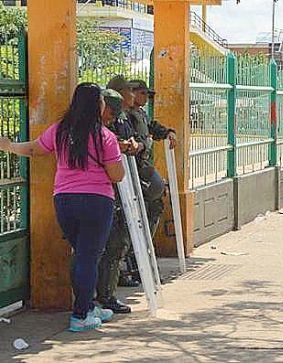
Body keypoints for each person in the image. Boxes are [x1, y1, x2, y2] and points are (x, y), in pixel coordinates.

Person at [0, 83, 124, 332]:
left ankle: (88, 306)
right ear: (98, 105)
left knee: (82, 255)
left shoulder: (60, 131)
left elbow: (35, 149)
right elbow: (117, 175)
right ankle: (81, 315)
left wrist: (8, 146)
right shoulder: (105, 137)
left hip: (64, 201)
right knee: (89, 258)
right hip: (97, 201)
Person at [95, 76, 140, 314]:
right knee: (108, 245)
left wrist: (130, 145)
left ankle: (103, 294)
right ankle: (101, 297)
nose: (113, 117)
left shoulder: (120, 120)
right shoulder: (93, 131)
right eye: (111, 113)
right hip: (100, 195)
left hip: (115, 192)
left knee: (114, 244)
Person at [128, 79, 176, 237]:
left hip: (143, 167)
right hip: (131, 168)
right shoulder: (125, 115)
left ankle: (146, 243)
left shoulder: (140, 113)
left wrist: (167, 132)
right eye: (143, 93)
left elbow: (152, 127)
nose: (146, 97)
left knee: (155, 203)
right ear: (131, 92)